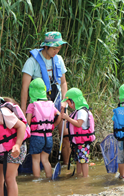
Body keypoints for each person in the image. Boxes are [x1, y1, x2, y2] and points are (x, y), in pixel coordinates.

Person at [20, 31, 71, 168]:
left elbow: (64, 82)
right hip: (39, 105)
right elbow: (25, 88)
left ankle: (65, 166)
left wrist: (64, 101)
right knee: (37, 134)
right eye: (54, 48)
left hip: (57, 99)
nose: (57, 51)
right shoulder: (32, 62)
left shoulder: (58, 59)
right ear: (46, 47)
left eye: (59, 48)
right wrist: (24, 110)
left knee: (64, 135)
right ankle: (33, 167)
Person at [26, 78, 61, 178]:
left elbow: (28, 123)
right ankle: (49, 179)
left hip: (36, 137)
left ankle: (37, 183)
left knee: (36, 160)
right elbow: (59, 116)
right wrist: (53, 126)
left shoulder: (32, 105)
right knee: (45, 160)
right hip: (48, 137)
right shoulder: (51, 104)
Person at [61, 88, 96, 177]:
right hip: (78, 141)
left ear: (74, 101)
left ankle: (85, 177)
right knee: (78, 159)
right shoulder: (77, 111)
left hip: (83, 142)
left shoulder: (82, 112)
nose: (69, 105)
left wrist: (68, 118)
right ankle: (78, 174)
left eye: (69, 102)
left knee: (83, 160)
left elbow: (79, 124)